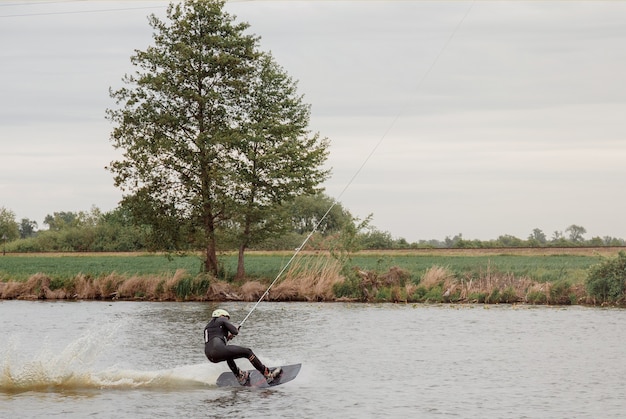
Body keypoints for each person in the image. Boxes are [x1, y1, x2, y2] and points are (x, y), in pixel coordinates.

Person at [204, 309, 282, 385]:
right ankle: (267, 374)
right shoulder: (222, 319)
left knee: (228, 355)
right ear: (221, 315)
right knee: (248, 352)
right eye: (227, 318)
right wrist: (235, 330)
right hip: (219, 350)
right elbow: (235, 331)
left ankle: (240, 376)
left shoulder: (207, 328)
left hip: (210, 355)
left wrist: (228, 337)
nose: (227, 321)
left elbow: (216, 341)